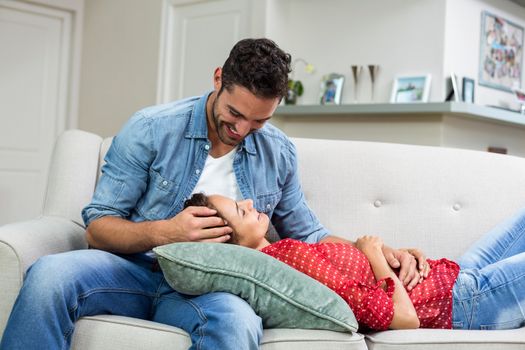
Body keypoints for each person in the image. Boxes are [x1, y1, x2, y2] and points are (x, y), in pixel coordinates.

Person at [0, 38, 424, 350]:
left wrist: (383, 253)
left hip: (213, 288)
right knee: (48, 276)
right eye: (234, 114)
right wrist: (165, 233)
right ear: (218, 79)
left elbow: (309, 234)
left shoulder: (278, 151)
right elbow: (98, 229)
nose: (241, 130)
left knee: (236, 323)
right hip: (135, 270)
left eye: (257, 123)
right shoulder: (151, 129)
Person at [185, 193, 525, 331]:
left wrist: (394, 253)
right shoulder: (286, 259)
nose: (249, 201)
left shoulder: (285, 251)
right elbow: (403, 319)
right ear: (223, 239)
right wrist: (373, 252)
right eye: (240, 210)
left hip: (454, 274)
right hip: (463, 302)